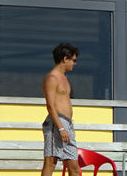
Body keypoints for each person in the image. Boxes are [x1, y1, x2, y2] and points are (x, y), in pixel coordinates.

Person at [40, 44, 80, 176]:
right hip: (56, 123)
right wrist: (61, 128)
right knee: (51, 161)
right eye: (73, 60)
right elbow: (50, 106)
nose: (75, 63)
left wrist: (66, 126)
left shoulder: (65, 78)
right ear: (65, 59)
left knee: (74, 164)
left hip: (68, 123)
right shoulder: (52, 78)